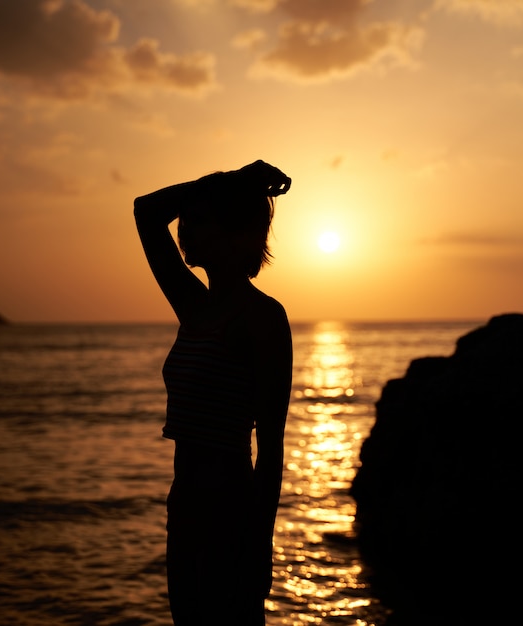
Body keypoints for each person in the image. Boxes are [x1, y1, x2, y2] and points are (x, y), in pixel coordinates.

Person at [134, 160, 293, 626]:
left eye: (200, 220)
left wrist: (258, 548)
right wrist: (230, 181)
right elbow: (146, 211)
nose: (185, 229)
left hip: (230, 509)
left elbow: (272, 445)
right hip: (184, 505)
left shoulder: (262, 318)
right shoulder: (195, 307)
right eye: (188, 219)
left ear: (237, 232)